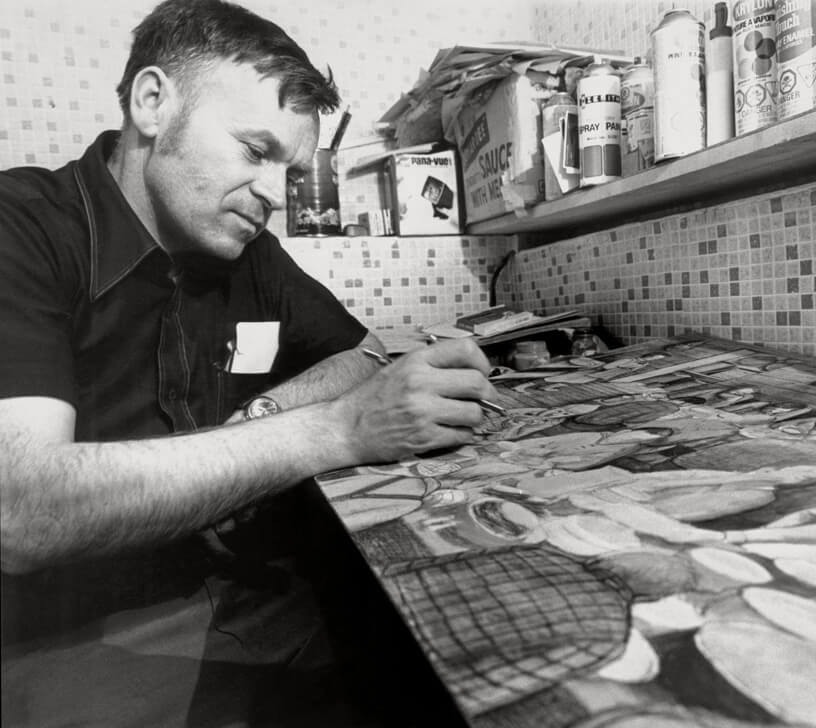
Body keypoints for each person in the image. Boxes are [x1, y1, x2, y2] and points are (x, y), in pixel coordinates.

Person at [0, 0, 496, 724]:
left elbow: (359, 352)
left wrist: (265, 413)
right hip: (72, 636)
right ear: (151, 103)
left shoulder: (245, 247)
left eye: (287, 167)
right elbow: (21, 509)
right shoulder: (22, 227)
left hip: (253, 590)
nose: (275, 191)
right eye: (253, 149)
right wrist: (336, 432)